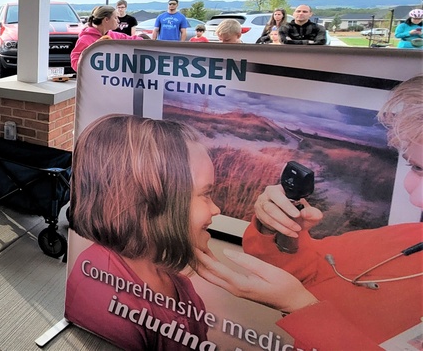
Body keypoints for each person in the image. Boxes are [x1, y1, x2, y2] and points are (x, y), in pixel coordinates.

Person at [202, 76, 423, 350]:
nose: (416, 195)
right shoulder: (408, 238)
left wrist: (301, 308)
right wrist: (278, 228)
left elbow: (301, 288)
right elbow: (309, 270)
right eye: (416, 167)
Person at [67, 115, 320, 351]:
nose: (216, 208)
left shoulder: (174, 279)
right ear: (146, 203)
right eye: (206, 194)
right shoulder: (104, 300)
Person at [70, 5, 144, 71]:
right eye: (115, 18)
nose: (118, 21)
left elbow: (137, 41)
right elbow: (75, 64)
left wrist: (145, 39)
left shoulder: (115, 36)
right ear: (106, 19)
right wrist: (94, 48)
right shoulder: (85, 39)